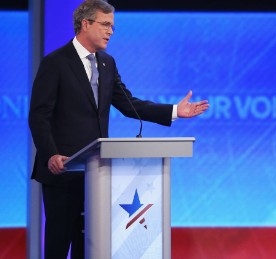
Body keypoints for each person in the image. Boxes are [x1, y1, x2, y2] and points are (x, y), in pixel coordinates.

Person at [28, 0, 209, 258]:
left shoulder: (107, 63)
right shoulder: (55, 62)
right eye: (105, 24)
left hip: (95, 173)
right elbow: (39, 115)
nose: (110, 31)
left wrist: (174, 111)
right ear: (85, 24)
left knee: (89, 246)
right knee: (58, 247)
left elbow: (128, 104)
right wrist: (51, 155)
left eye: (112, 26)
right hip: (62, 170)